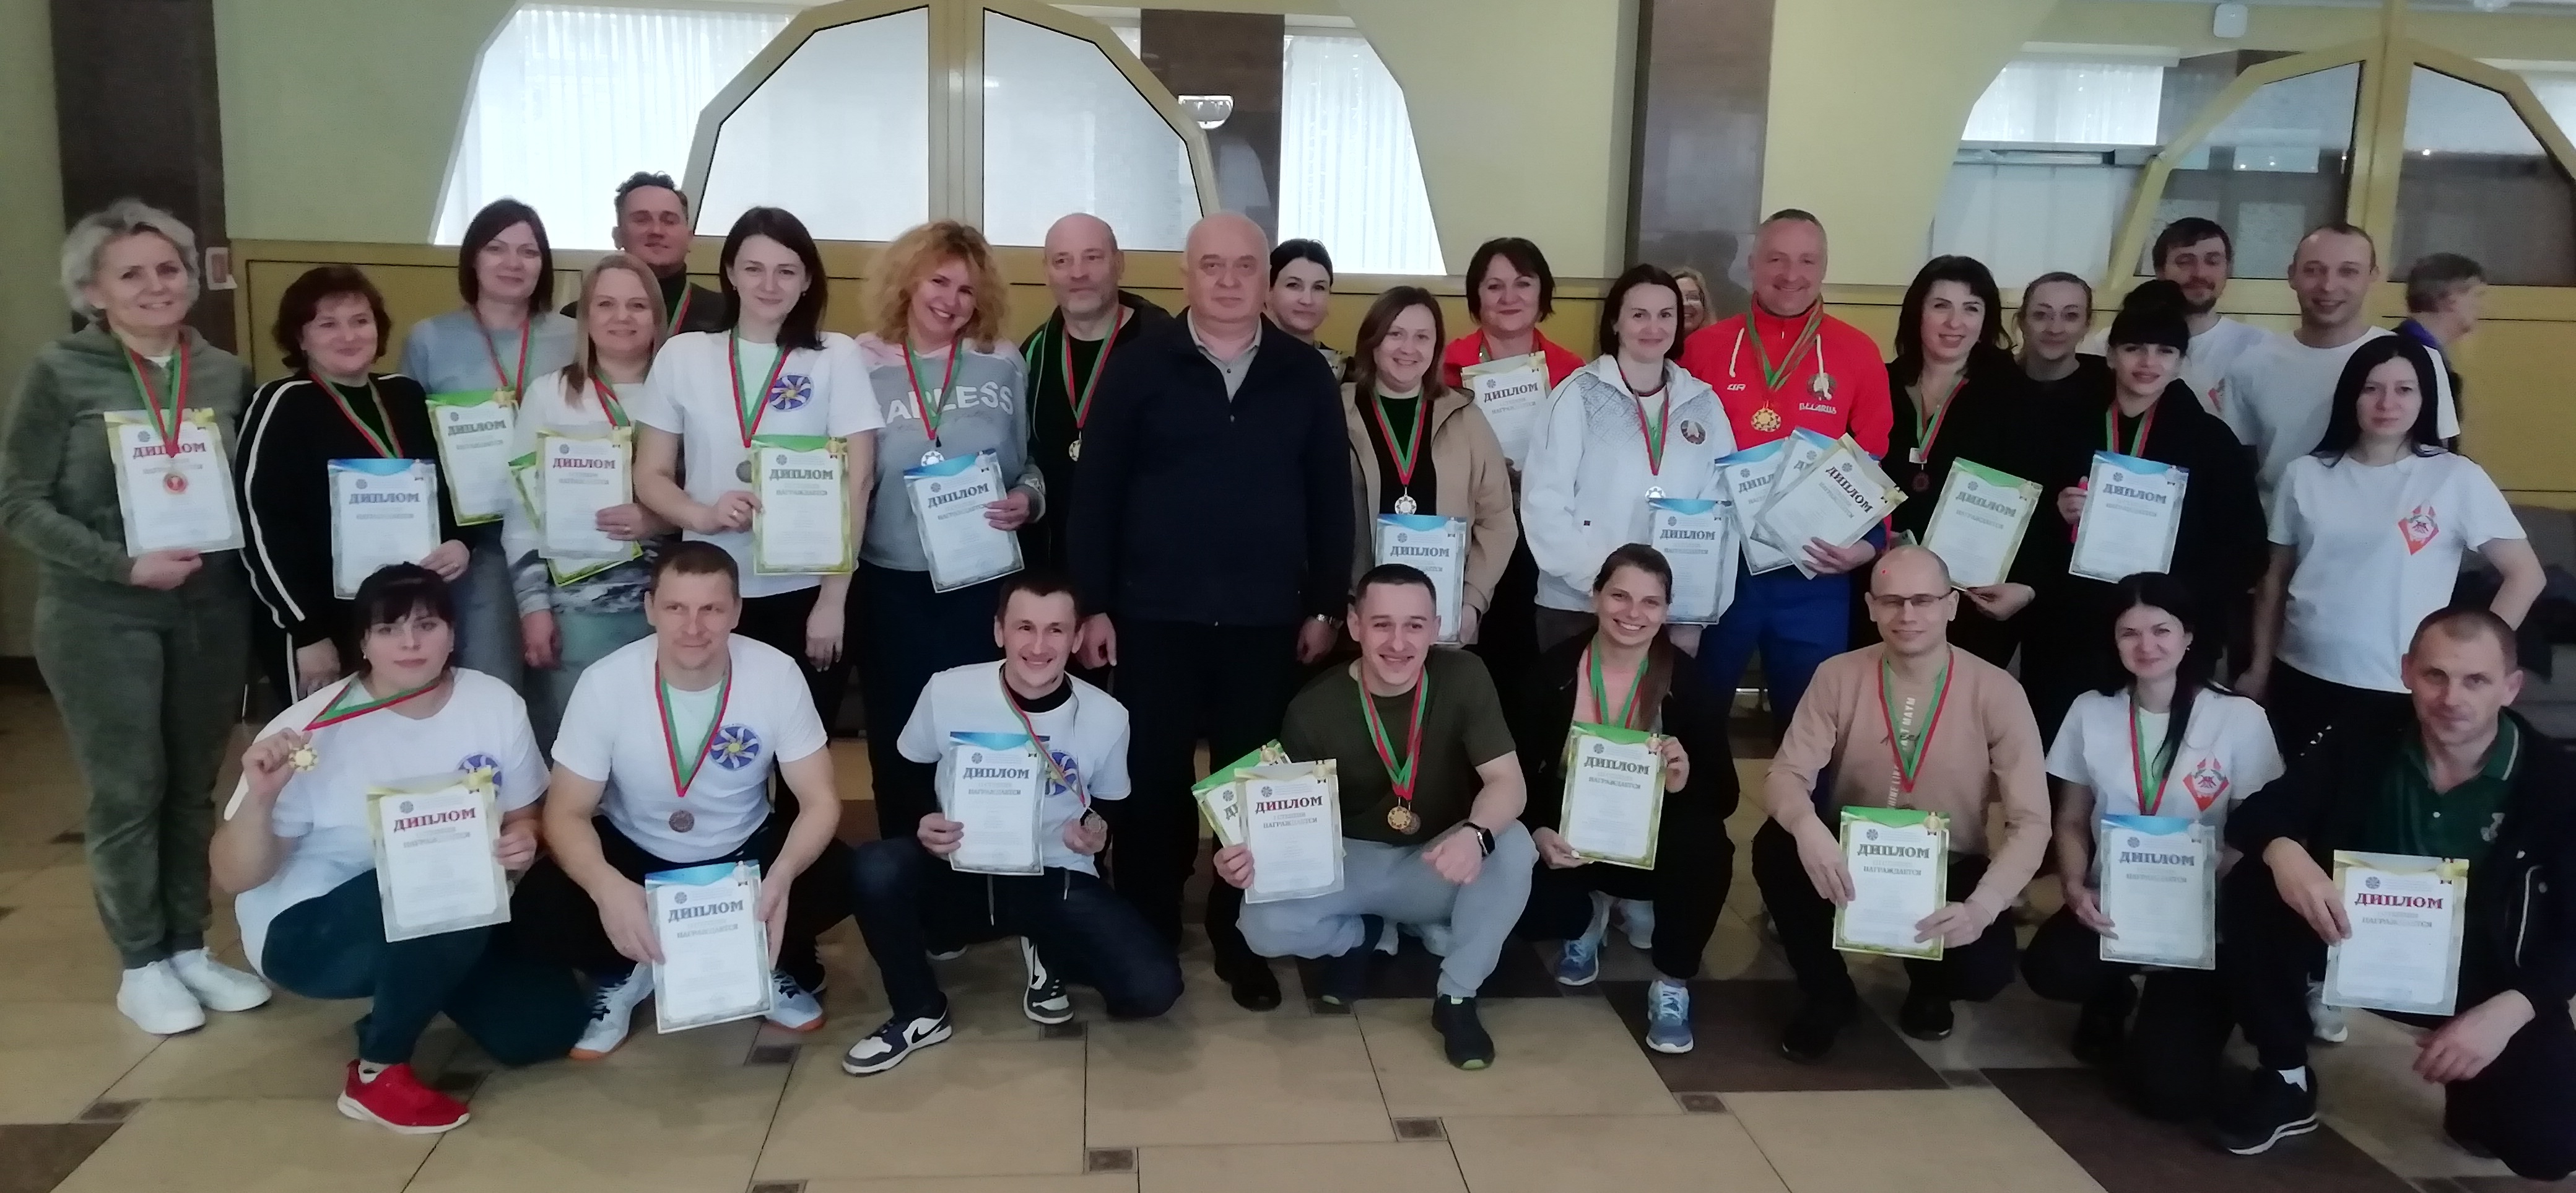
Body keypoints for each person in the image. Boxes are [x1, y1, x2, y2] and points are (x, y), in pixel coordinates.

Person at [1069, 211, 1351, 1011]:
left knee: (1248, 783)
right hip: (1153, 615)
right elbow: (1097, 494)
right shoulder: (1138, 365)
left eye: (1244, 266)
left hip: (1265, 620)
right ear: (1184, 275)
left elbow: (1331, 496)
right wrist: (1094, 604)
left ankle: (1238, 933)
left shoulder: (1303, 372)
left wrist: (1325, 604)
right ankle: (1150, 925)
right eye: (1211, 265)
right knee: (1152, 782)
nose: (1228, 281)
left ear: (1265, 277)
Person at [0, 199, 268, 1034]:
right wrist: (122, 565)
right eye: (131, 274)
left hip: (210, 613)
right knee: (128, 791)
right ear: (93, 291)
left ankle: (189, 946)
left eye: (169, 268)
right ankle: (141, 962)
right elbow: (18, 500)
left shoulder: (223, 373)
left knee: (192, 789)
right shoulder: (61, 372)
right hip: (100, 615)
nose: (156, 285)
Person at [211, 565, 584, 1134]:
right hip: (311, 929)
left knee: (543, 1031)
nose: (410, 643)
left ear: (452, 633)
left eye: (426, 625)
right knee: (441, 885)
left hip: (452, 910)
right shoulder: (311, 728)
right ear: (363, 642)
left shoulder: (492, 703)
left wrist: (525, 838)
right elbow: (234, 876)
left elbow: (524, 814)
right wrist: (261, 798)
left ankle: (420, 982)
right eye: (388, 630)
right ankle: (378, 1070)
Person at [2213, 608, 2576, 1182]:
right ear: (2407, 672)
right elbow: (2262, 812)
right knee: (2258, 881)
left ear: (2510, 687)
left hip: (2484, 976)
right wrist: (2285, 852)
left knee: (2548, 1150)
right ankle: (2285, 1076)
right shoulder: (2365, 733)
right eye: (2435, 675)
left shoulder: (2555, 783)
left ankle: (2473, 1093)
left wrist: (2507, 1013)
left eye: (2475, 680)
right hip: (2351, 940)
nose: (2451, 698)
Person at [510, 542, 855, 1057]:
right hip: (638, 857)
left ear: (736, 611)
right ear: (650, 608)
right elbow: (566, 812)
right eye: (676, 608)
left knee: (845, 872)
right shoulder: (605, 683)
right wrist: (606, 887)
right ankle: (624, 969)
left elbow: (820, 800)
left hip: (741, 856)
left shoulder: (776, 673)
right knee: (540, 901)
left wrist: (781, 877)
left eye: (711, 609)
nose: (693, 627)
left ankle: (756, 963)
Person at [842, 570, 1181, 1075]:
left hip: (1053, 874)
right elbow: (906, 771)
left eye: (1055, 630)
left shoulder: (1107, 716)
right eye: (1025, 628)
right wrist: (922, 819)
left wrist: (1095, 832)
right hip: (960, 867)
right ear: (999, 631)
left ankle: (1046, 943)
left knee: (1152, 990)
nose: (1039, 646)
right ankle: (920, 1011)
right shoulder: (948, 690)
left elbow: (1110, 806)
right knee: (874, 867)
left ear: (1077, 638)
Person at [1228, 564, 1536, 1068]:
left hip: (1434, 858)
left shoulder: (1464, 676)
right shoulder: (1313, 708)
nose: (1398, 643)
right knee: (1260, 925)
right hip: (1350, 861)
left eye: (1414, 625)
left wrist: (1475, 836)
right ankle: (1363, 935)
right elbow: (1285, 824)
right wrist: (1246, 857)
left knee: (1514, 843)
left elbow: (1508, 782)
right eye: (1382, 624)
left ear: (1435, 628)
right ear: (1355, 626)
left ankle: (1457, 995)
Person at [1751, 546, 2048, 1060]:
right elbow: (1785, 775)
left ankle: (1931, 987)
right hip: (1851, 856)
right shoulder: (1837, 675)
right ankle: (1829, 993)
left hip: (1950, 862)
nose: (1907, 615)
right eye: (1891, 601)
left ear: (1951, 605)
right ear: (1871, 607)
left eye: (1923, 600)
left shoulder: (1998, 691)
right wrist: (1807, 826)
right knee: (1777, 845)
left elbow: (2033, 822)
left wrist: (1984, 906)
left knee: (1983, 970)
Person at [2019, 574, 2281, 1114]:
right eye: (2129, 633)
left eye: (2161, 630)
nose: (2147, 646)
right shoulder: (2091, 710)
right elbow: (2072, 819)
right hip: (2113, 904)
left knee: (2169, 1094)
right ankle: (2109, 995)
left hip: (2203, 917)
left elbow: (2255, 832)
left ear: (2189, 636)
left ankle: (2186, 1005)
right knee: (2052, 966)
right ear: (2113, 641)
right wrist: (2074, 886)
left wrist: (2193, 899)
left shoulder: (2238, 718)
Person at [633, 206, 881, 723]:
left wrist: (833, 599)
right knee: (718, 736)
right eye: (754, 269)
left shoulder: (835, 356)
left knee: (801, 741)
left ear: (807, 280)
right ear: (729, 272)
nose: (769, 285)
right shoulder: (683, 355)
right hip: (707, 589)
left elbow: (858, 482)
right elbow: (650, 474)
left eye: (786, 271)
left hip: (806, 589)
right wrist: (703, 516)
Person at [2243, 334, 2540, 758]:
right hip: (2302, 672)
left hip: (2400, 683)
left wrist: (2476, 658)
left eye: (2404, 390)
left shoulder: (2455, 477)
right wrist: (2259, 668)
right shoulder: (2304, 474)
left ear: (2426, 399)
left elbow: (2525, 575)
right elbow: (2274, 580)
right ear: (2351, 396)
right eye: (2372, 389)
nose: (2387, 403)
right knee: (2301, 794)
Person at [851, 220, 1038, 838]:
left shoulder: (1001, 361)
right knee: (898, 735)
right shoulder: (860, 360)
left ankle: (978, 866)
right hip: (891, 583)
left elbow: (1030, 465)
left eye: (966, 290)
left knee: (978, 732)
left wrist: (1027, 500)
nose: (951, 301)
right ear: (908, 280)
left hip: (979, 584)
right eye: (939, 282)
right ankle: (906, 865)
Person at [2020, 281, 2266, 743]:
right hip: (2073, 630)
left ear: (2181, 361)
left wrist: (2178, 599)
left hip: (2167, 635)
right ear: (2111, 355)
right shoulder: (2064, 426)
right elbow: (2027, 522)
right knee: (2064, 750)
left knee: (2159, 755)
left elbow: (2246, 550)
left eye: (2164, 351)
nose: (2148, 363)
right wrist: (2058, 510)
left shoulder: (2211, 442)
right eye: (2134, 349)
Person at [1514, 545, 1734, 1054]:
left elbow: (1725, 796)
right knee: (1523, 899)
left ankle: (1672, 982)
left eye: (1650, 602)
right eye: (1619, 596)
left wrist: (1683, 781)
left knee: (1708, 846)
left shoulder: (1689, 681)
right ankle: (1587, 913)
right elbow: (1516, 771)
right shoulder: (1553, 672)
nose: (1633, 613)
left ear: (1666, 610)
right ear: (1595, 597)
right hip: (1571, 840)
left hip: (1654, 839)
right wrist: (1538, 830)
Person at [1682, 210, 1893, 738]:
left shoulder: (1858, 353)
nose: (1791, 274)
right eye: (1776, 259)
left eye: (1807, 261)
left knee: (1812, 731)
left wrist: (1868, 548)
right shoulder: (1704, 349)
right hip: (1719, 568)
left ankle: (1804, 801)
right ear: (1753, 264)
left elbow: (1874, 462)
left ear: (1824, 267)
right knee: (1694, 718)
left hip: (1815, 574)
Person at [242, 266, 471, 704]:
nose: (348, 336)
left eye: (360, 321)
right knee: (322, 738)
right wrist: (307, 632)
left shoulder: (406, 396)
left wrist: (461, 542)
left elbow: (449, 487)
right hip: (321, 623)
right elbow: (262, 524)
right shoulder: (283, 403)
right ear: (300, 337)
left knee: (405, 728)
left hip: (404, 616)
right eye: (328, 324)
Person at [400, 199, 579, 693]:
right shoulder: (430, 339)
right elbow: (413, 450)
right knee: (491, 679)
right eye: (497, 248)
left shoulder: (574, 336)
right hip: (478, 544)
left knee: (564, 678)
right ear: (473, 259)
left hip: (565, 531)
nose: (513, 262)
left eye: (529, 251)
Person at [504, 254, 676, 745]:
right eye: (606, 304)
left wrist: (657, 519)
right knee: (583, 747)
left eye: (637, 305)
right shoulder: (550, 394)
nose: (622, 317)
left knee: (658, 744)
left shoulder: (683, 390)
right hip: (578, 609)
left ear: (656, 317)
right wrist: (533, 607)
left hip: (671, 609)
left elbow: (711, 496)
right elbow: (523, 512)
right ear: (585, 317)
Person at [1522, 263, 1736, 650]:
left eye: (1665, 315)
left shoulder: (1703, 403)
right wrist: (1609, 589)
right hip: (1579, 605)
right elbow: (1545, 502)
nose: (1654, 327)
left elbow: (1723, 507)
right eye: (1639, 315)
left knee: (1660, 695)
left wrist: (1697, 607)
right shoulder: (1576, 395)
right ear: (1615, 322)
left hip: (1669, 611)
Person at [1437, 237, 1585, 745]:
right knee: (1466, 661)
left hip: (1540, 539)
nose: (1509, 297)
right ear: (1475, 296)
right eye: (1494, 286)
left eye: (1523, 284)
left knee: (1530, 662)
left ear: (1543, 294)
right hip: (1466, 535)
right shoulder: (1444, 366)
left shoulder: (1574, 372)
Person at [1881, 254, 2042, 666]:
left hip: (1974, 596)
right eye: (1941, 306)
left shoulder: (2016, 395)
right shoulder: (1880, 383)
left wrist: (2027, 586)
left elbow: (2040, 499)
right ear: (1917, 312)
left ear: (1986, 320)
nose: (1955, 322)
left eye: (1971, 308)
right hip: (1887, 590)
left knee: (1960, 701)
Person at [1338, 286, 1516, 643]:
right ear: (1373, 340)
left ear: (1436, 348)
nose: (1408, 348)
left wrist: (1472, 601)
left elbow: (1497, 518)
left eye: (1422, 337)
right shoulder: (1335, 412)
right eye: (1395, 334)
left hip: (1441, 619)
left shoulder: (1466, 417)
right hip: (1353, 619)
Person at [1018, 213, 1170, 575]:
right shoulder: (1031, 355)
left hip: (1147, 573)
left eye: (1092, 257)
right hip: (1056, 572)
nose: (1078, 273)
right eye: (1062, 261)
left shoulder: (1168, 350)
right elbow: (1021, 460)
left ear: (1119, 263)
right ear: (1047, 272)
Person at [2220, 224, 2401, 508]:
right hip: (2274, 527)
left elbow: (2436, 464)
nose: (2328, 286)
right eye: (2314, 270)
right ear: (2292, 275)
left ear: (2373, 275)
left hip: (2382, 529)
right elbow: (2236, 471)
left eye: (2348, 271)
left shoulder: (2413, 363)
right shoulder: (2251, 366)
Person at [564, 172, 726, 335]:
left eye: (669, 221)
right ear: (618, 237)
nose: (657, 230)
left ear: (689, 238)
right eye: (641, 220)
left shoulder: (727, 315)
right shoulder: (577, 318)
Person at [2146, 217, 2269, 415]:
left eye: (2213, 261)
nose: (2200, 274)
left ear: (2227, 269)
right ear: (2160, 272)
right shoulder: (2115, 345)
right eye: (2185, 262)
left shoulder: (2260, 348)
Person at [2395, 252, 2484, 439]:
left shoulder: (2418, 353)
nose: (2482, 307)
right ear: (2452, 299)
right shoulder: (2400, 359)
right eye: (2477, 295)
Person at [2016, 270, 2110, 403]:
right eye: (2041, 314)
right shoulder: (1993, 381)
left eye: (2071, 315)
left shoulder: (2111, 383)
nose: (2055, 329)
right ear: (2022, 322)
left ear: (2087, 324)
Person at [1268, 238, 1342, 376]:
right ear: (1268, 291)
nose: (1307, 300)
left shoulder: (1341, 369)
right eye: (1293, 285)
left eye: (1319, 288)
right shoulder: (1242, 362)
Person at [1672, 265, 1714, 335]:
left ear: (1704, 306)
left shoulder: (1721, 340)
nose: (1685, 303)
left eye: (1693, 297)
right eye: (1676, 297)